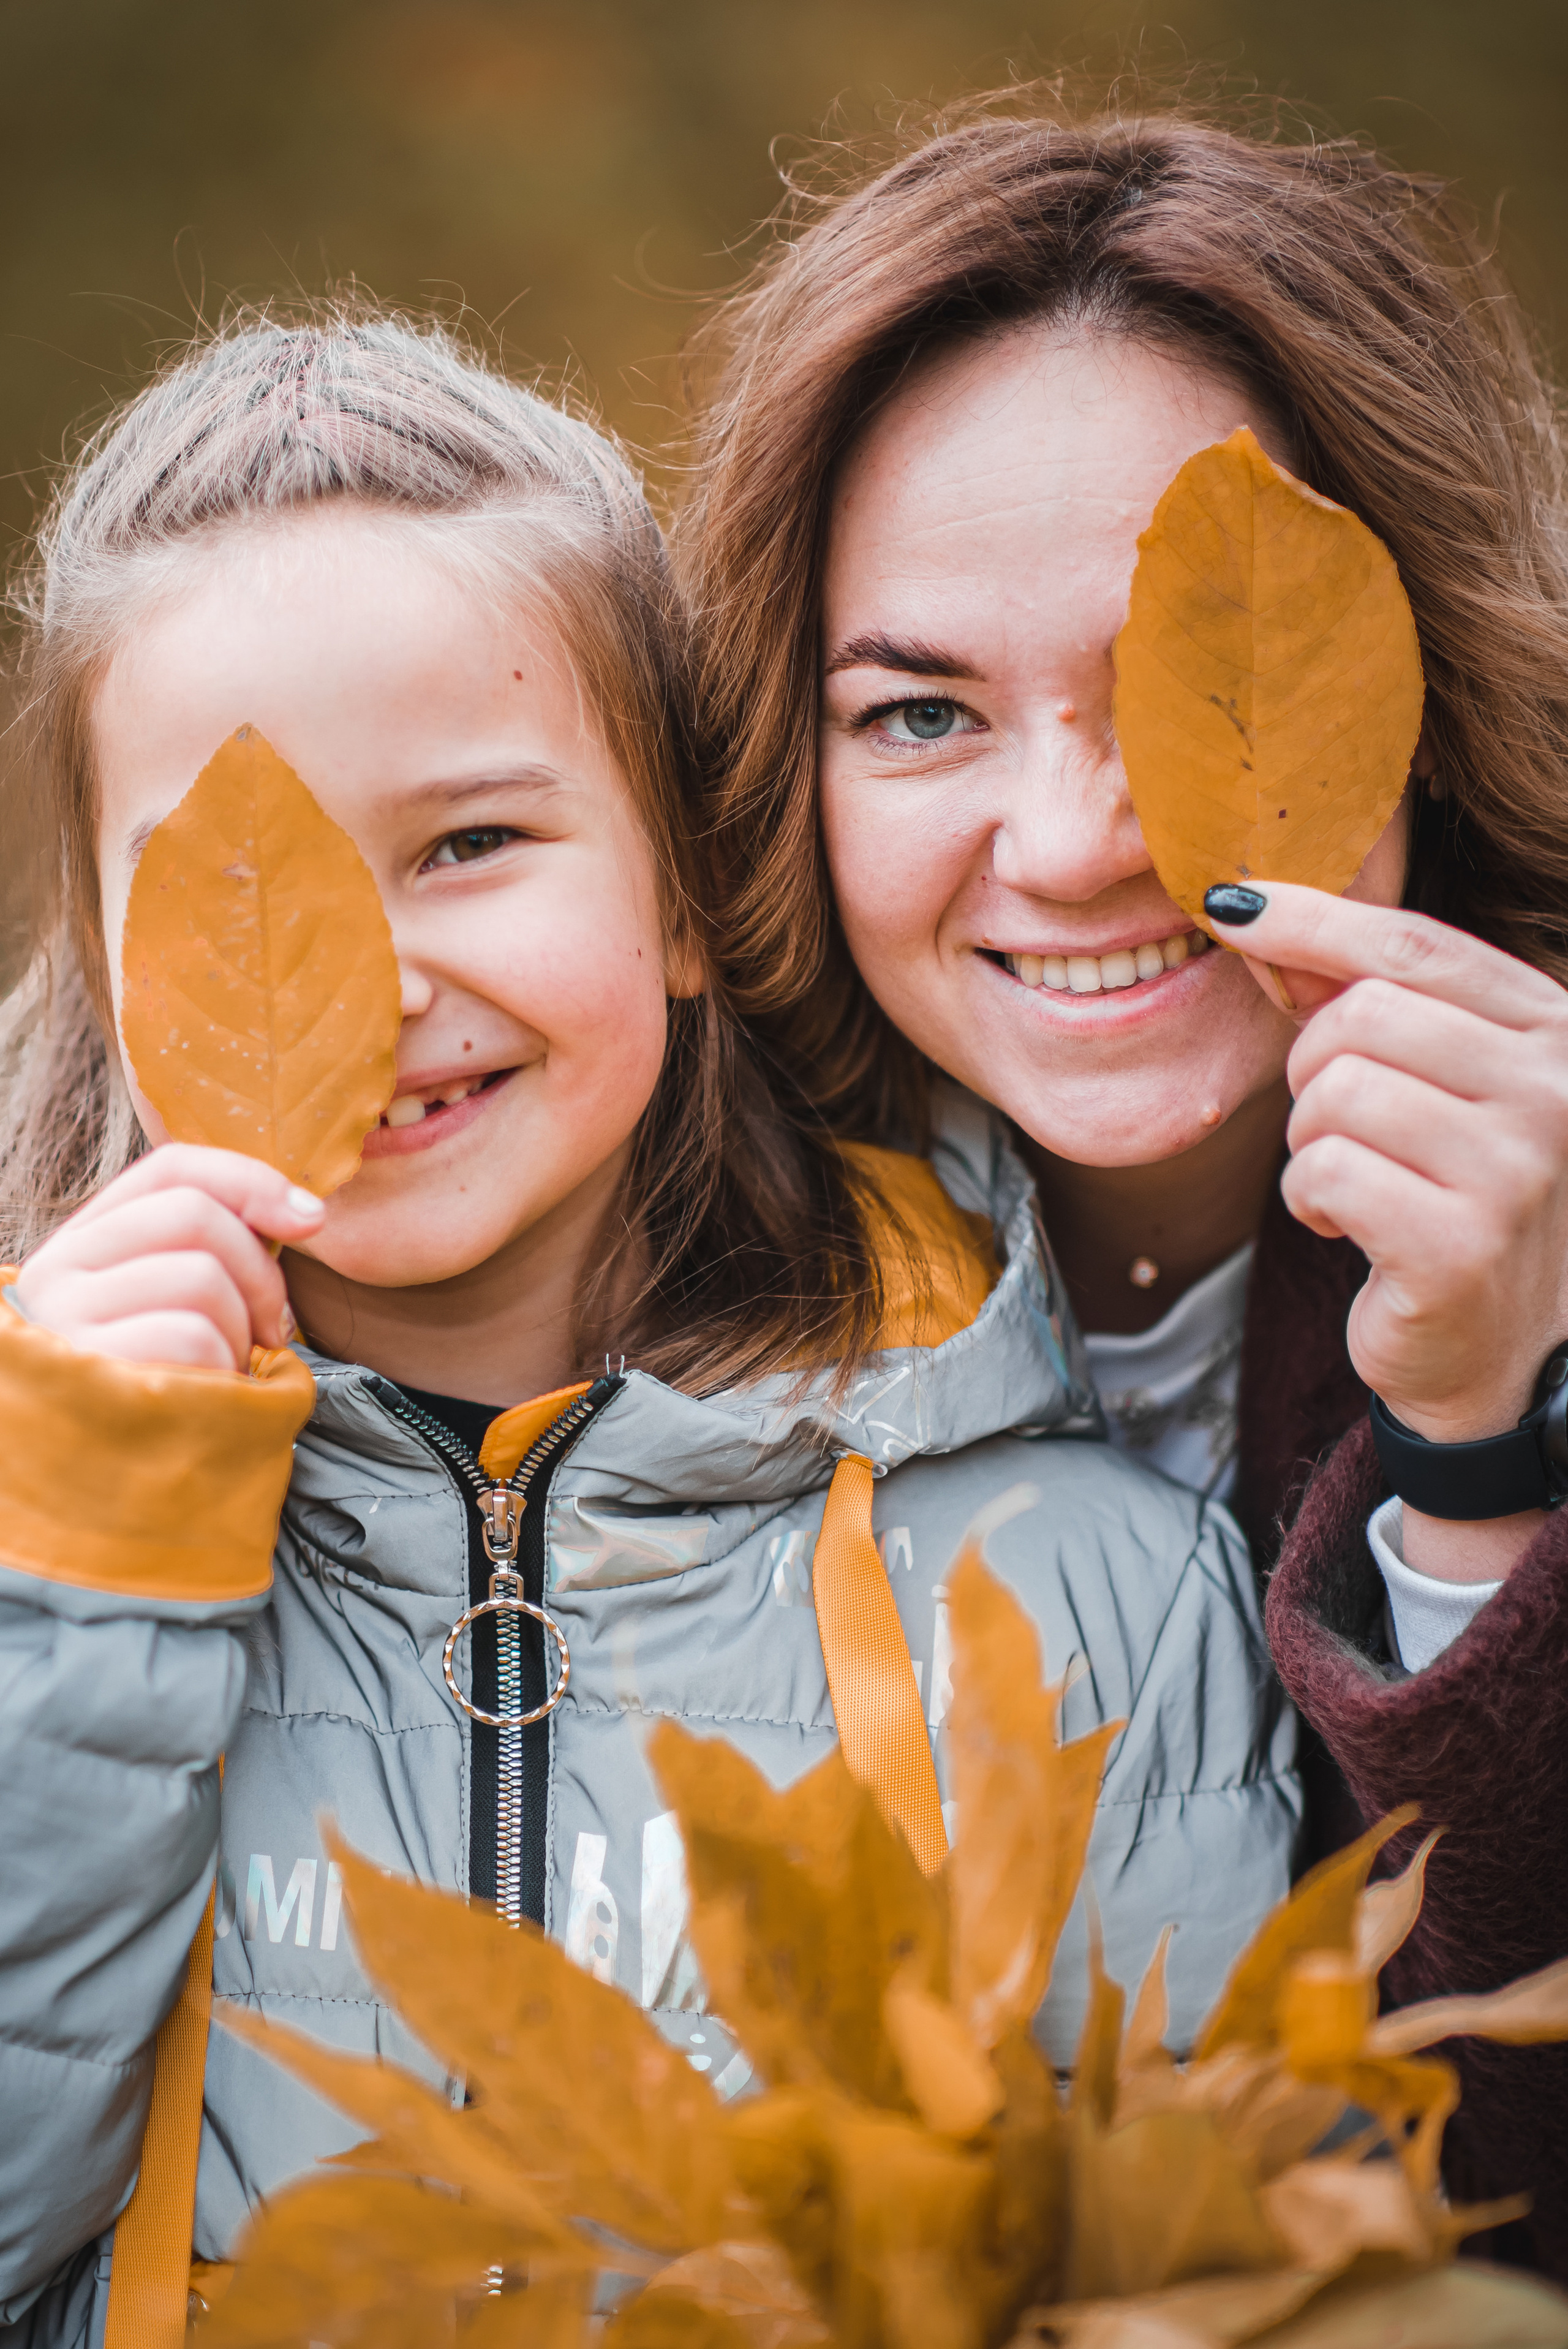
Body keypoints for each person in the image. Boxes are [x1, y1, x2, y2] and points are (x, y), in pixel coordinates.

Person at [0, 312, 1294, 2343]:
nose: (377, 975)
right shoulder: (27, 1568)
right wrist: (82, 1585)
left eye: (471, 844)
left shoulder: (1080, 1583)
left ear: (688, 895)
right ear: (100, 954)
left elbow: (1223, 2267)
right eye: (234, 890)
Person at [677, 95, 1568, 2274]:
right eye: (918, 715)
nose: (1073, 840)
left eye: (1195, 685)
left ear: (1430, 692)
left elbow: (1505, 2184)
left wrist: (1488, 1434)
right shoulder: (633, 1249)